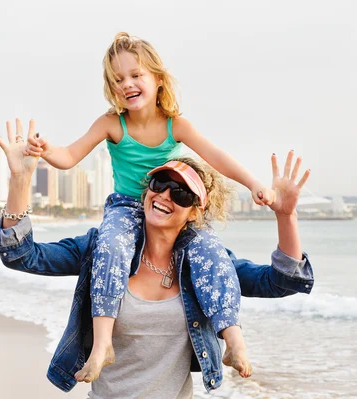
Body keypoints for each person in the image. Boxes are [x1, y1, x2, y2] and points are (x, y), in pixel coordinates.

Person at [0, 118, 314, 397]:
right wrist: (20, 179)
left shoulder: (207, 266)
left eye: (181, 193)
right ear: (146, 192)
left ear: (194, 211)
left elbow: (280, 282)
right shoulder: (104, 249)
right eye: (160, 183)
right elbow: (22, 256)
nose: (164, 195)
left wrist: (286, 217)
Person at [22, 32, 277, 382]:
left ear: (158, 78)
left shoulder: (176, 125)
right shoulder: (112, 123)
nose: (127, 84)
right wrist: (45, 149)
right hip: (127, 208)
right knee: (109, 248)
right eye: (118, 79)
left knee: (211, 251)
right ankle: (102, 345)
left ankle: (233, 338)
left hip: (171, 209)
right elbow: (68, 156)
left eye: (135, 75)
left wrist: (255, 184)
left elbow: (217, 157)